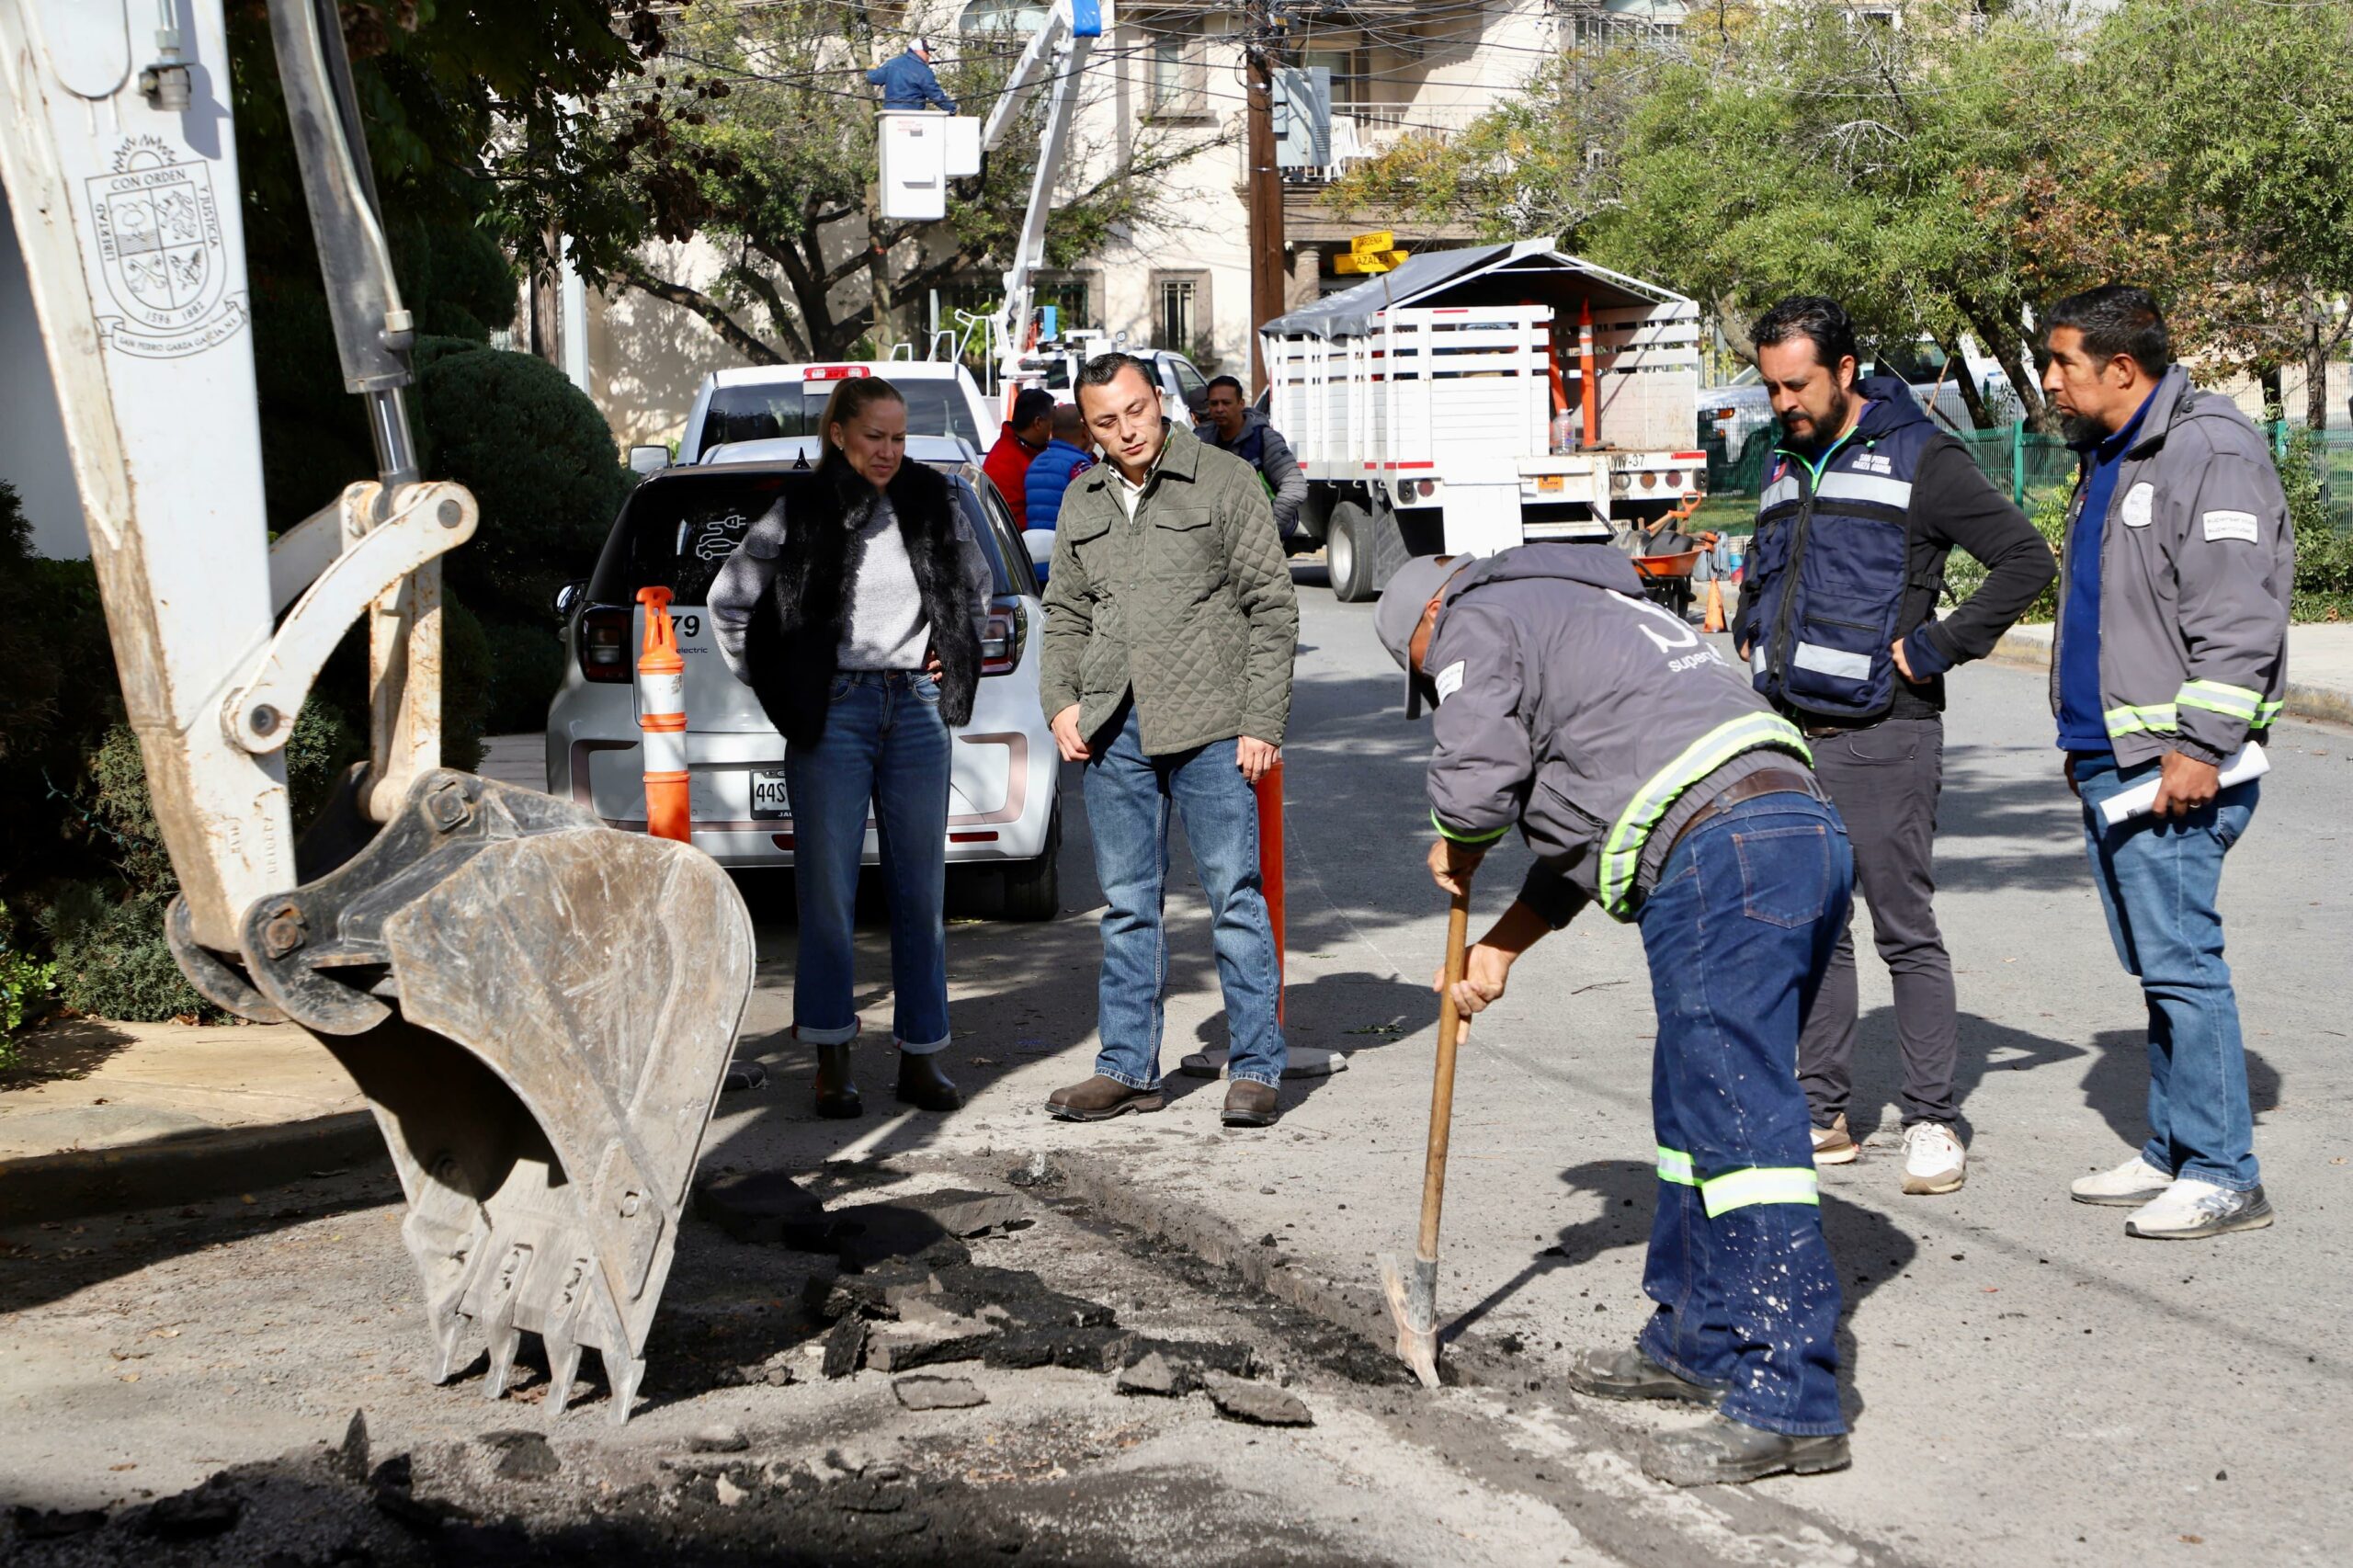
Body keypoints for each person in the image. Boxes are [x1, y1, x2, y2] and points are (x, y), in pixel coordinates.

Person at [1380, 545, 1854, 1487]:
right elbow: (1605, 814)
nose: (1435, 691)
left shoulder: (1474, 618)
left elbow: (1475, 775)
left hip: (1724, 848)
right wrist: (1500, 946)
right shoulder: (1589, 615)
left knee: (1741, 1121)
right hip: (1783, 829)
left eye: (1423, 677)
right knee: (1694, 1111)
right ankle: (1696, 1334)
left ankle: (1790, 1397)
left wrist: (1459, 835)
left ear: (1425, 628)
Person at [1733, 297, 2056, 1196]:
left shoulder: (1924, 457)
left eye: (1796, 385)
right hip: (1791, 734)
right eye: (1770, 388)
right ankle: (1821, 1111)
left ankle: (1930, 1118)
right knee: (1814, 931)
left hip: (1887, 733)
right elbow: (1775, 571)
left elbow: (2026, 561)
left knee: (1902, 930)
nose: (1783, 403)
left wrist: (1937, 645)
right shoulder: (1784, 456)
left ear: (1843, 371)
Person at [2040, 285, 2290, 1240]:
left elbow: (2239, 615)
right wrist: (2085, 742)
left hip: (2176, 765)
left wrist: (2199, 744)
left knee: (2182, 963)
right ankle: (2175, 1148)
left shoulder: (2209, 449)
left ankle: (2227, 1170)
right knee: (2155, 963)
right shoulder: (2112, 450)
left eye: (2063, 363)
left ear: (2120, 367)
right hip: (2116, 759)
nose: (2051, 382)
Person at [708, 377, 994, 1120]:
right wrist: (781, 684)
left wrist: (950, 649)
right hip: (833, 711)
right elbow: (730, 600)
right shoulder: (799, 508)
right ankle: (832, 1060)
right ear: (840, 433)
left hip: (917, 710)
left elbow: (975, 586)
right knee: (828, 895)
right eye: (875, 437)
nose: (889, 452)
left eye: (899, 438)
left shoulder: (934, 497)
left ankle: (923, 1057)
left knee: (921, 893)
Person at [1039, 353, 1300, 1129]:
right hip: (1113, 732)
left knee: (1235, 900)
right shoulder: (1083, 500)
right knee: (1126, 908)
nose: (1128, 432)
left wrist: (1262, 721)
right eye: (1107, 422)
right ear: (1086, 429)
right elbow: (1064, 615)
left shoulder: (1222, 481)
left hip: (1214, 729)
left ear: (1160, 401)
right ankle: (1127, 1068)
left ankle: (1254, 1065)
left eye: (1137, 411)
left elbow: (1272, 607)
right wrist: (1059, 701)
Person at [1196, 374, 1308, 544]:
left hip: (1259, 544)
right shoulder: (1200, 441)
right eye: (1213, 403)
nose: (1219, 409)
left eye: (1226, 403)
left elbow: (1295, 488)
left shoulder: (1265, 439)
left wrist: (1266, 531)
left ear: (1241, 404)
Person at [1021, 403, 1095, 581]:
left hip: (1036, 563)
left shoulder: (1036, 463)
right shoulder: (1080, 467)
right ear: (1085, 430)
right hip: (1069, 567)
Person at [983, 387, 1054, 529]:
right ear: (1038, 423)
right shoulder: (1003, 461)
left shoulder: (1037, 449)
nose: (1055, 426)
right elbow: (1012, 523)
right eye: (1053, 420)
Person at [866, 35, 955, 113]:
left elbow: (873, 78)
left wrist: (871, 69)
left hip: (890, 115)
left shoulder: (892, 64)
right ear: (917, 51)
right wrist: (953, 109)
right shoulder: (923, 71)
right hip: (912, 116)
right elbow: (936, 96)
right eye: (926, 52)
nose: (928, 56)